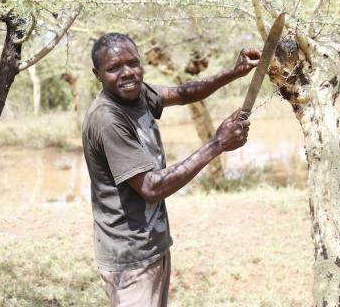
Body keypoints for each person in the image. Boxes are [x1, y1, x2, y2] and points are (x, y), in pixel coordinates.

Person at [82, 32, 261, 307]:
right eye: (114, 68)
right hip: (130, 258)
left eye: (133, 63)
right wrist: (216, 144)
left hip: (151, 245)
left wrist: (234, 73)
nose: (127, 73)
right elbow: (151, 187)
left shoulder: (137, 93)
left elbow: (185, 92)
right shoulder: (108, 119)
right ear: (98, 74)